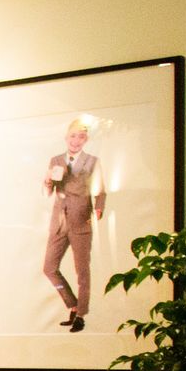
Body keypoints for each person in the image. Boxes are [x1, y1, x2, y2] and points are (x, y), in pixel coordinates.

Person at [41, 116, 108, 333]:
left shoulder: (92, 161)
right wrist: (48, 181)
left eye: (80, 137)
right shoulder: (55, 160)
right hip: (59, 223)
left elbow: (100, 190)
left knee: (82, 271)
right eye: (72, 136)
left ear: (86, 140)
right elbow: (47, 193)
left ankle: (81, 314)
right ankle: (72, 304)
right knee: (49, 268)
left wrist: (98, 209)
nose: (76, 141)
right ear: (66, 137)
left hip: (81, 222)